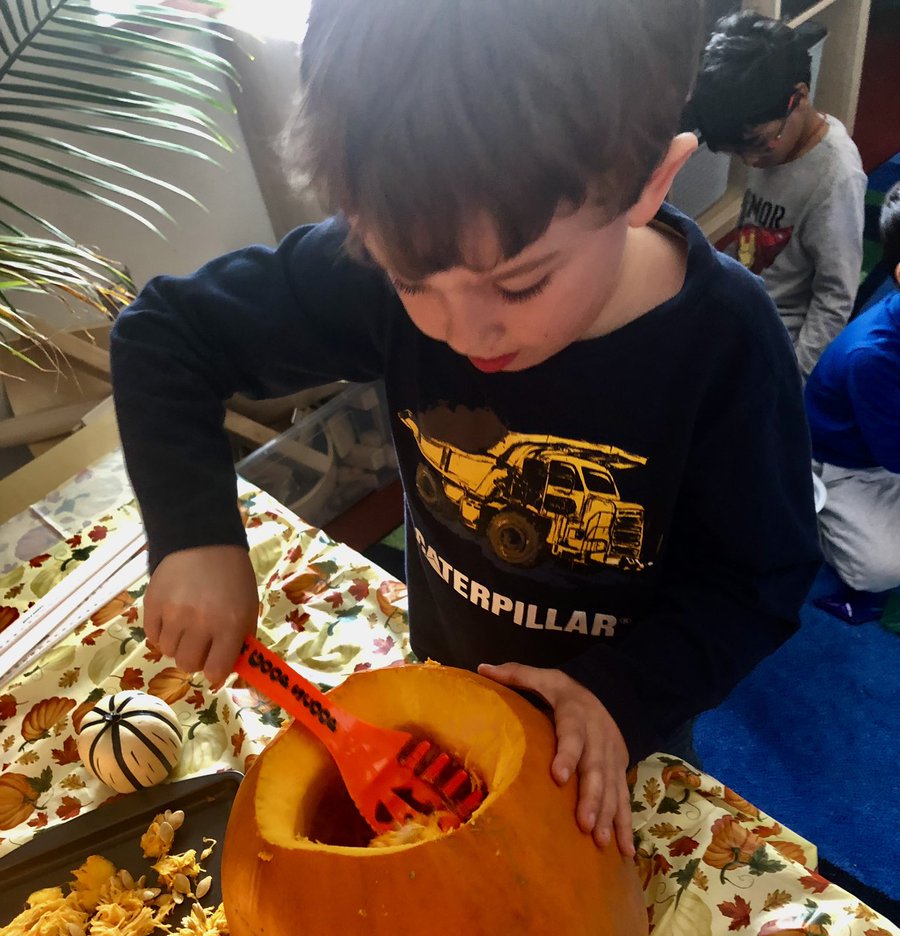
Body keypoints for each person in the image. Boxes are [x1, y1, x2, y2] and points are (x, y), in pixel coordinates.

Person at [110, 0, 821, 857]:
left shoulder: (727, 345)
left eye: (519, 286)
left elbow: (758, 581)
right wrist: (193, 535)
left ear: (647, 184)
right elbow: (166, 334)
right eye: (411, 280)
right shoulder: (407, 254)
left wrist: (623, 699)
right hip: (445, 689)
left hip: (611, 730)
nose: (462, 330)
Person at [688, 10, 866, 378]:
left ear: (799, 97)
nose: (751, 161)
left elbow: (835, 300)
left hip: (778, 338)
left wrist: (793, 379)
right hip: (743, 303)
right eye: (737, 152)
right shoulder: (774, 145)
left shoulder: (836, 179)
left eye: (757, 144)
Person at [804, 181, 900, 623]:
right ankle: (810, 514)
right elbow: (893, 454)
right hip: (844, 466)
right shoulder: (873, 357)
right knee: (880, 568)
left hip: (882, 446)